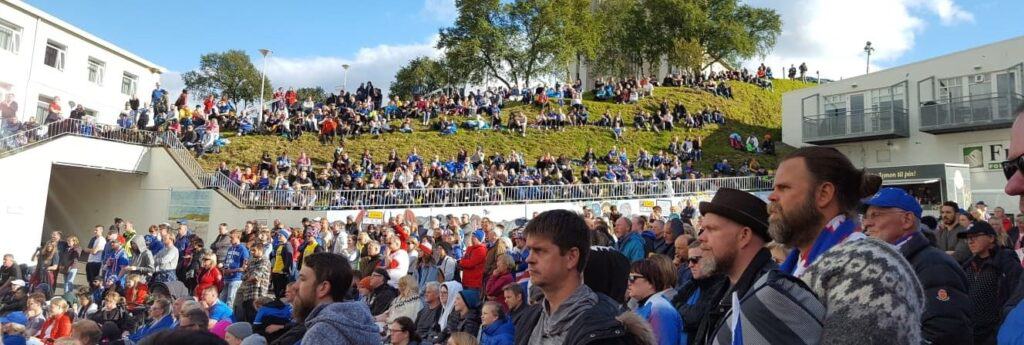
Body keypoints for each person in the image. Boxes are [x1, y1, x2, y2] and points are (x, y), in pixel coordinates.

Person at [769, 146, 923, 344]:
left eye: (784, 188)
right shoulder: (794, 265)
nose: (772, 197)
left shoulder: (869, 269)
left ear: (823, 194)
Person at [695, 188, 825, 344]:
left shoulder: (775, 294)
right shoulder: (724, 288)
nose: (701, 237)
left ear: (744, 236)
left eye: (711, 229)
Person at [514, 210, 652, 345]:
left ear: (572, 257)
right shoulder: (530, 318)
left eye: (539, 251)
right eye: (530, 250)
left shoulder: (607, 330)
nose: (529, 259)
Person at [862, 188, 973, 345]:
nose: (866, 223)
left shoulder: (934, 265)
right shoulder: (889, 261)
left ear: (907, 220)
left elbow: (944, 332)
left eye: (875, 215)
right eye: (865, 216)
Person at [293, 252, 380, 345]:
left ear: (323, 288)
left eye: (302, 279)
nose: (295, 286)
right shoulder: (362, 321)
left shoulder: (320, 334)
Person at [959, 221, 1021, 345]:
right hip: (972, 332)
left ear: (991, 238)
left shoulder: (1006, 261)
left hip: (995, 332)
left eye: (975, 237)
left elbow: (1016, 295)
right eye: (968, 238)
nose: (970, 241)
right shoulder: (968, 265)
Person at [626, 259, 682, 345]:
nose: (628, 282)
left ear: (651, 281)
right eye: (628, 277)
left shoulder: (660, 309)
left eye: (632, 278)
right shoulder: (643, 304)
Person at [221, 229, 250, 309]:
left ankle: (229, 320)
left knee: (230, 300)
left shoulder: (243, 250)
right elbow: (227, 261)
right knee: (222, 299)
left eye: (232, 238)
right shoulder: (230, 248)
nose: (230, 240)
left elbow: (244, 267)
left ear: (238, 237)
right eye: (230, 238)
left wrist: (233, 270)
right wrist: (223, 267)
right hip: (227, 277)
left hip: (235, 278)